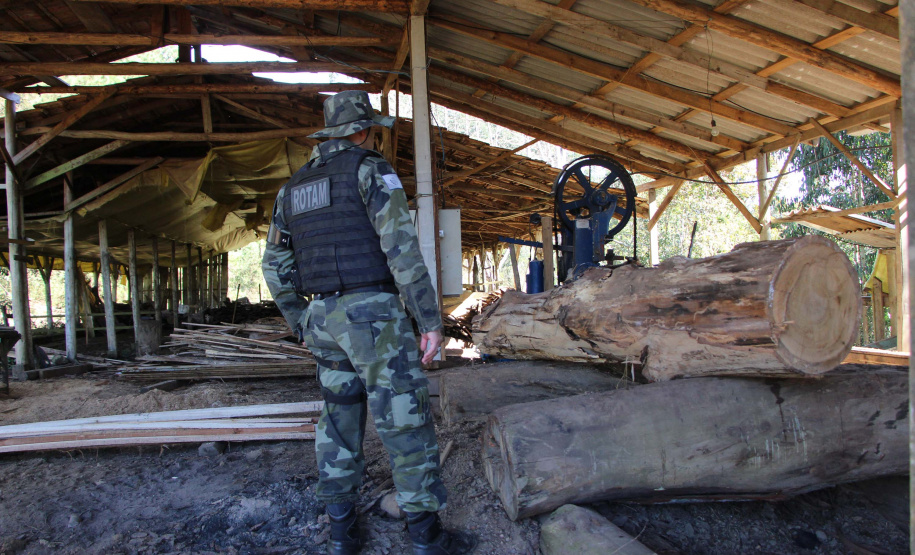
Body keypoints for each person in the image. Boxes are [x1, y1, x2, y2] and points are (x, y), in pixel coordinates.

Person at [262, 90, 475, 555]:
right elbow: (402, 251)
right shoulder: (370, 169)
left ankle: (341, 535)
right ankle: (425, 538)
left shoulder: (292, 189)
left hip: (324, 320)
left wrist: (302, 320)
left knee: (338, 423)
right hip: (373, 317)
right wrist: (429, 321)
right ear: (363, 130)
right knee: (405, 422)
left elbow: (273, 266)